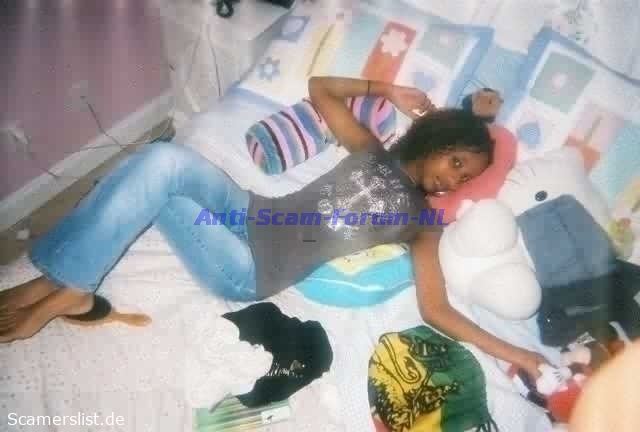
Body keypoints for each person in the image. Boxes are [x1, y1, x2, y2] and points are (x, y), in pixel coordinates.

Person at [0, 76, 548, 381]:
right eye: (456, 162)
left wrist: (519, 355)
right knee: (159, 160)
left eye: (465, 178)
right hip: (249, 211)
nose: (454, 181)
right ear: (436, 141)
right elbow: (321, 88)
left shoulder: (424, 225)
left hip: (251, 269)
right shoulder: (370, 148)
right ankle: (67, 284)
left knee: (154, 184)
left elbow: (437, 309)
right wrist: (386, 90)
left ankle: (66, 283)